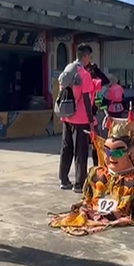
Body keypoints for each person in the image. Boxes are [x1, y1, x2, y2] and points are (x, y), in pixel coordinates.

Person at [49, 116, 134, 236]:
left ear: (131, 152)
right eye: (107, 151)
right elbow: (87, 199)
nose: (111, 156)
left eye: (118, 151)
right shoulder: (96, 174)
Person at [57, 44, 96, 190]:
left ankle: (64, 179)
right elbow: (86, 100)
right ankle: (79, 183)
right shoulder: (84, 74)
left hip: (66, 116)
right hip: (80, 119)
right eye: (89, 57)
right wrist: (91, 121)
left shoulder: (67, 70)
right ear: (85, 56)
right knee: (81, 151)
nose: (89, 60)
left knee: (66, 148)